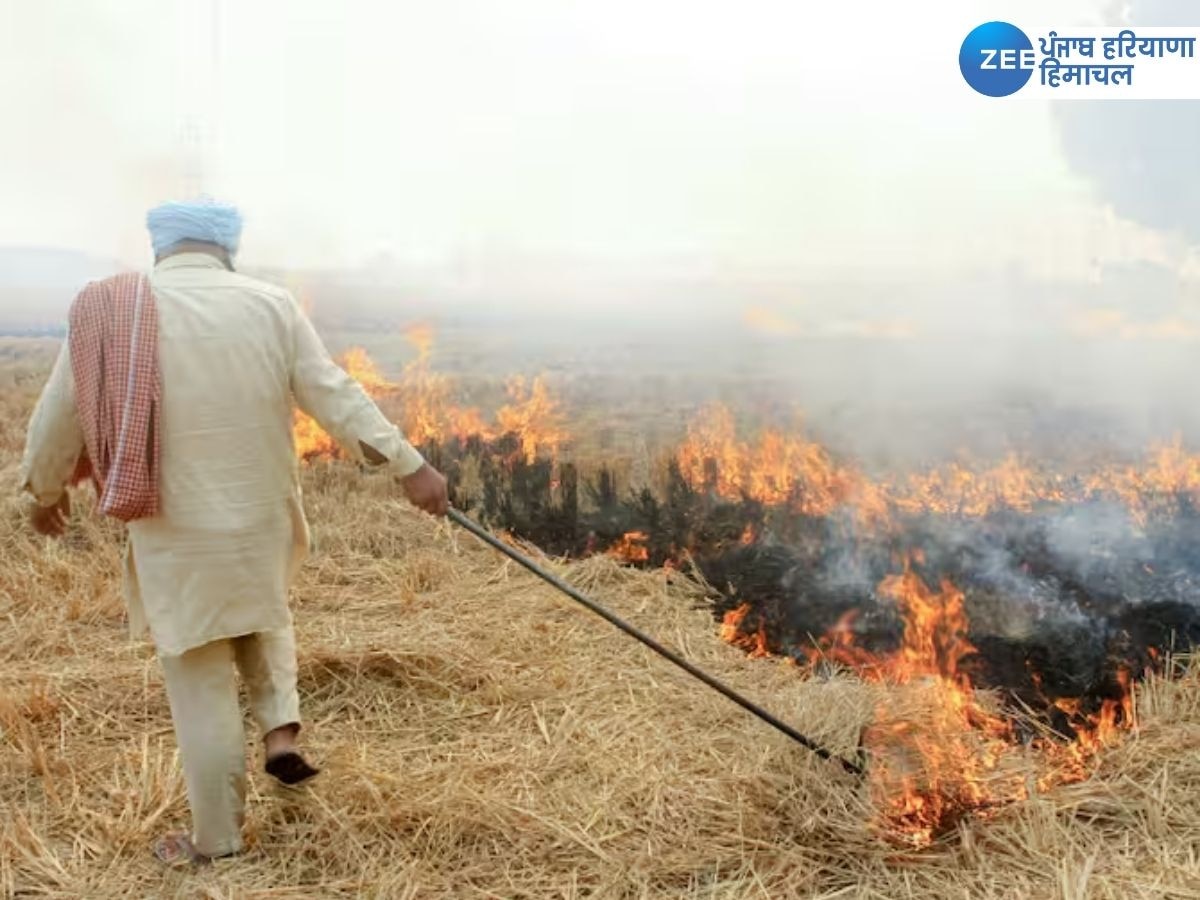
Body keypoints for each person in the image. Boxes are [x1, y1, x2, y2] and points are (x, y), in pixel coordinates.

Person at [19, 198, 449, 866]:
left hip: (175, 532)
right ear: (229, 246)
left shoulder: (112, 312)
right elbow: (333, 393)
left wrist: (40, 496)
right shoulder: (271, 305)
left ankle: (215, 842)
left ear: (161, 246)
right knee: (260, 613)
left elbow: (56, 420)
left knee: (200, 680)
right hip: (260, 524)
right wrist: (410, 466)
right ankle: (281, 734)